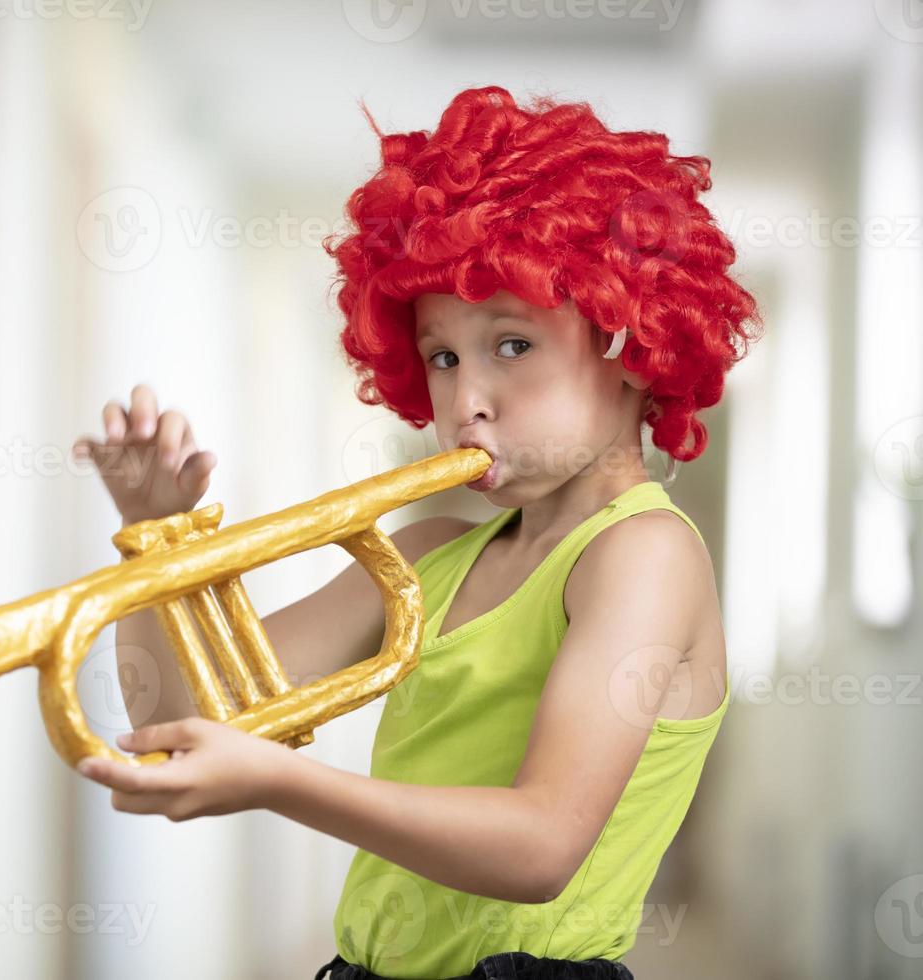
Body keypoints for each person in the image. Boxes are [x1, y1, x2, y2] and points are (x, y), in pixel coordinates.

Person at [71, 84, 763, 980]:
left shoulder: (644, 556)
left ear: (630, 346)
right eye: (443, 356)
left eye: (511, 344)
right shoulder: (429, 550)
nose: (466, 399)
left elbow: (541, 846)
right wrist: (155, 540)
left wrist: (276, 781)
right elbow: (176, 722)